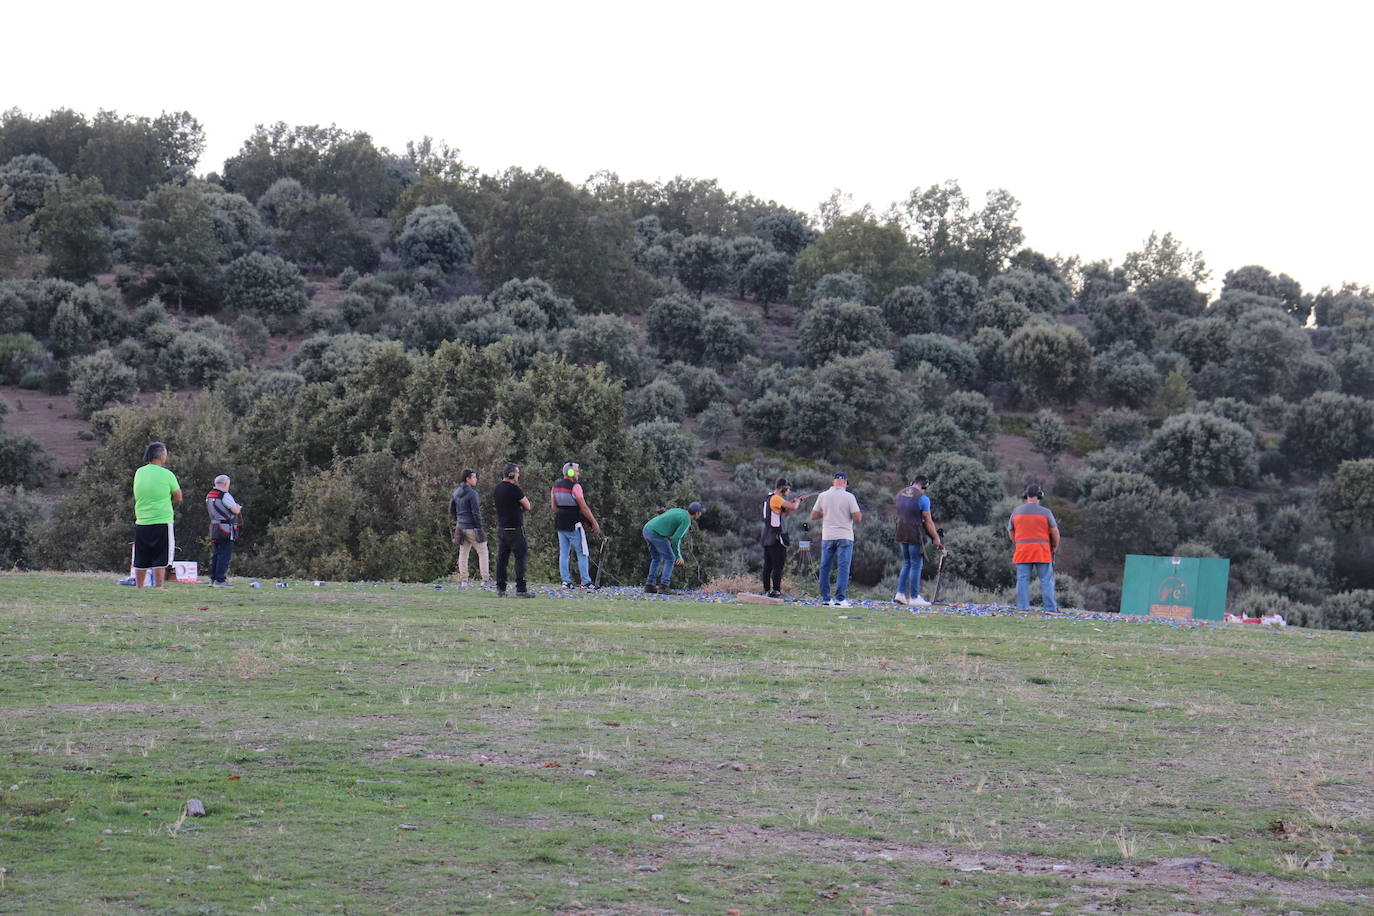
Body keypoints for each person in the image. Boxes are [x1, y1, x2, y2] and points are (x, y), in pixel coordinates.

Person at [131, 442, 182, 589]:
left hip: (141, 520)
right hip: (162, 520)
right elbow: (178, 497)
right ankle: (158, 586)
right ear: (161, 455)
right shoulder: (167, 474)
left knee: (141, 556)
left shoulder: (139, 472)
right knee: (160, 555)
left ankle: (139, 586)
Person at [811, 472, 862, 607]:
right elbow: (857, 518)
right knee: (843, 567)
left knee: (825, 567)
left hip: (827, 536)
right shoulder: (849, 496)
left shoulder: (823, 495)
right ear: (845, 482)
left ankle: (826, 598)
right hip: (845, 536)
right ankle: (840, 598)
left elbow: (814, 515)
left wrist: (827, 513)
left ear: (834, 481)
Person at [760, 478, 816, 598]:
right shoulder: (776, 498)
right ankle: (776, 590)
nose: (789, 491)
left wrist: (793, 503)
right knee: (777, 566)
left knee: (768, 566)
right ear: (782, 488)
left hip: (767, 536)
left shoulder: (770, 497)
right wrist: (797, 502)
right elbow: (793, 507)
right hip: (775, 537)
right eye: (788, 489)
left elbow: (785, 513)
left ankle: (767, 590)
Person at [1008, 483, 1060, 611]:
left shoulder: (1016, 512)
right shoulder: (1046, 513)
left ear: (1026, 496)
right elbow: (1055, 532)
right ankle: (1050, 608)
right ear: (1039, 496)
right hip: (1042, 551)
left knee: (1022, 580)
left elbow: (1010, 531)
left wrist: (1017, 544)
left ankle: (1022, 607)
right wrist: (1054, 547)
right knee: (1046, 581)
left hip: (1023, 552)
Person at [893, 475, 942, 606]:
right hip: (914, 533)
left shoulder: (900, 494)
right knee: (916, 564)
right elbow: (928, 520)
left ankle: (900, 594)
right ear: (924, 485)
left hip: (900, 531)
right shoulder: (923, 499)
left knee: (906, 563)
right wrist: (936, 538)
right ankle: (914, 597)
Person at [550, 462, 601, 588]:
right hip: (574, 524)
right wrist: (594, 522)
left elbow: (554, 507)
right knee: (582, 552)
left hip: (560, 523)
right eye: (577, 471)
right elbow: (583, 507)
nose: (578, 473)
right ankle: (586, 581)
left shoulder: (555, 487)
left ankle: (566, 581)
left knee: (564, 553)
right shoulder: (575, 487)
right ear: (571, 472)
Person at [643, 501, 704, 594]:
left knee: (656, 558)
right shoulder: (686, 520)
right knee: (671, 559)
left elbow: (666, 515)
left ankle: (649, 586)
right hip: (655, 534)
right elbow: (675, 539)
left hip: (647, 529)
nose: (701, 514)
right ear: (697, 513)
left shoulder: (679, 510)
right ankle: (664, 586)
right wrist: (678, 555)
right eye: (700, 512)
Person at [492, 462, 533, 598]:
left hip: (502, 528)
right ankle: (521, 589)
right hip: (515, 529)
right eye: (517, 472)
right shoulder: (515, 489)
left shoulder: (497, 489)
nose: (518, 475)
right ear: (511, 474)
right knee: (520, 559)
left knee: (502, 559)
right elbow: (527, 506)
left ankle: (500, 588)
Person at [449, 469, 490, 587]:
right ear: (468, 479)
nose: (476, 479)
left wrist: (459, 520)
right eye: (474, 477)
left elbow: (451, 510)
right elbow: (476, 512)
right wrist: (479, 528)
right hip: (472, 526)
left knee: (463, 553)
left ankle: (464, 581)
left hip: (460, 527)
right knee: (482, 552)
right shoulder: (473, 494)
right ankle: (485, 579)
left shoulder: (456, 492)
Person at [205, 474, 243, 587]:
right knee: (224, 555)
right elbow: (235, 510)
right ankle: (220, 580)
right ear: (226, 484)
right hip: (226, 528)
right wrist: (239, 507)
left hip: (214, 528)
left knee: (216, 554)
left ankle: (214, 578)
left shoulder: (210, 495)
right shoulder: (224, 495)